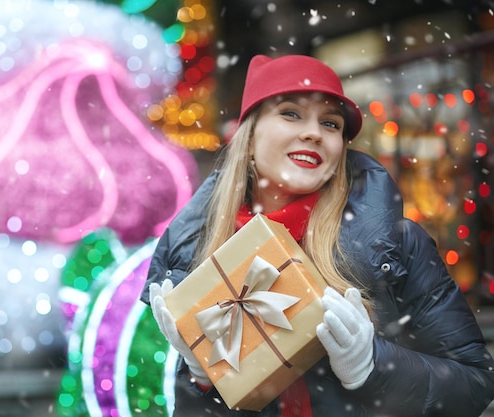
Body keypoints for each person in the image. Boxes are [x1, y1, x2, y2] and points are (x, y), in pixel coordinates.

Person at [140, 54, 494, 417]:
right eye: (291, 113)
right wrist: (202, 381)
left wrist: (373, 366)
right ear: (248, 136)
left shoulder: (397, 245)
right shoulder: (202, 255)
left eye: (331, 123)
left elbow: (475, 384)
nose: (314, 132)